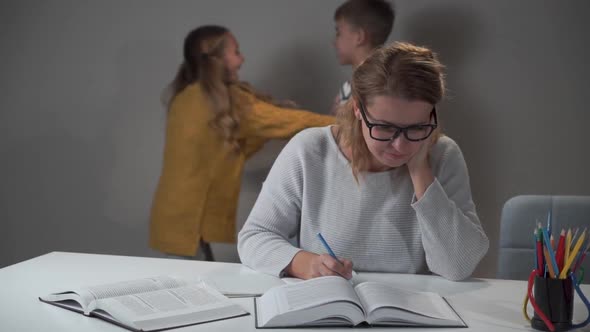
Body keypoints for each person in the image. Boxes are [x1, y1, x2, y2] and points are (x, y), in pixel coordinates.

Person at [238, 42, 489, 281]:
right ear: (358, 109)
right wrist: (303, 263)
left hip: (410, 313)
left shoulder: (444, 155)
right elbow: (254, 237)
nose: (400, 145)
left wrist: (421, 171)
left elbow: (458, 266)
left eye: (417, 127)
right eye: (384, 127)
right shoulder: (310, 150)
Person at [149, 26, 334, 259]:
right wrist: (341, 122)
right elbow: (292, 121)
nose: (242, 58)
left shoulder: (185, 96)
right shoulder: (230, 102)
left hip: (172, 216)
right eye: (236, 52)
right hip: (194, 221)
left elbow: (227, 150)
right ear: (216, 59)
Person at [332, 0, 395, 113]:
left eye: (338, 33)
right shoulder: (350, 86)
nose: (334, 42)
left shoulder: (377, 86)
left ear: (359, 37)